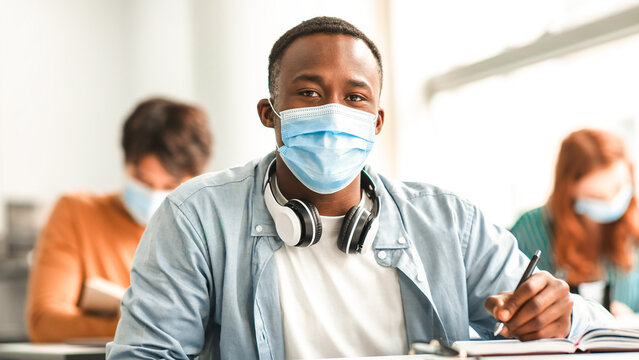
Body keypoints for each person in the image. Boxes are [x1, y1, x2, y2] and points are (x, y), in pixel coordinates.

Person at [107, 17, 613, 360]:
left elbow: (586, 327)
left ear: (376, 121)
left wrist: (558, 318)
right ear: (270, 113)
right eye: (308, 92)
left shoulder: (450, 223)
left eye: (355, 97)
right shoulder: (196, 218)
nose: (334, 111)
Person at [26, 97, 213, 342]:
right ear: (126, 162)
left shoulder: (208, 231)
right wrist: (143, 327)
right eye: (143, 180)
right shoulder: (76, 214)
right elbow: (45, 322)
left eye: (170, 185)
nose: (155, 194)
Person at [511, 129, 639, 316]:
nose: (611, 201)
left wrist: (629, 319)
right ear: (569, 188)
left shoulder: (632, 229)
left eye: (618, 188)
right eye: (596, 196)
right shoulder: (530, 230)